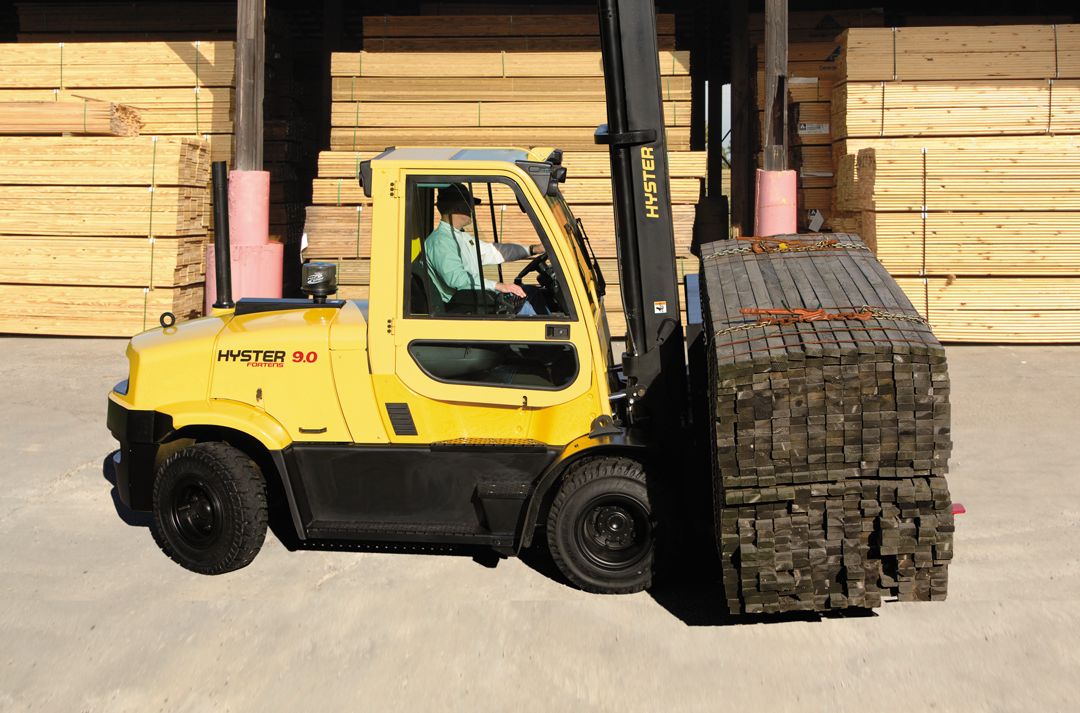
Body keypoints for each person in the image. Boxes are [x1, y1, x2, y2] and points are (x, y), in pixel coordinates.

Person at [423, 183, 545, 316]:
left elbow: (494, 252)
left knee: (532, 292)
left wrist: (533, 249)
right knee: (524, 308)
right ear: (458, 207)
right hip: (461, 308)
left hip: (471, 299)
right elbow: (458, 280)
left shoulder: (460, 236)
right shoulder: (441, 241)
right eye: (470, 204)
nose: (472, 209)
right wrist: (499, 286)